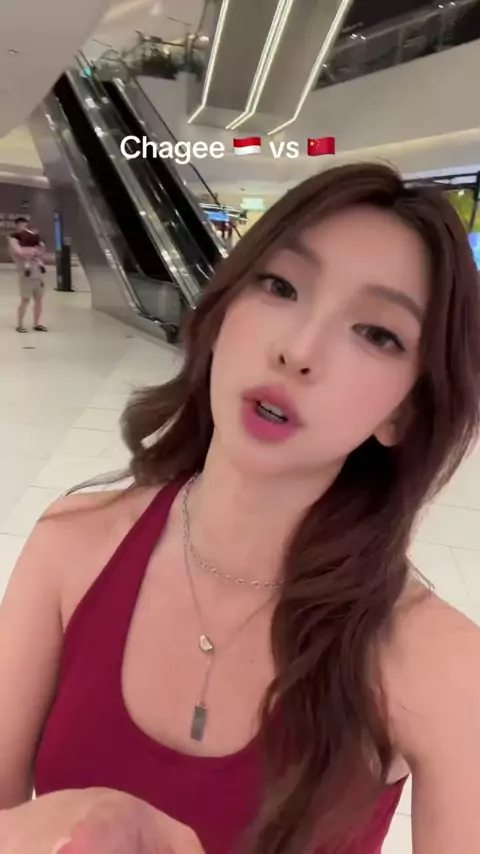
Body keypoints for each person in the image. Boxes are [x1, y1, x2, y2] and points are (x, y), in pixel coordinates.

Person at [1, 162, 480, 854]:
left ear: (404, 412)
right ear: (224, 311)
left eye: (377, 333)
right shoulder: (71, 547)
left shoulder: (439, 664)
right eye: (280, 286)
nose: (298, 351)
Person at [8, 216, 48, 334]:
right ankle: (20, 324)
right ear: (17, 226)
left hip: (38, 273)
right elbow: (19, 252)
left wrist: (38, 248)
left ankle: (37, 323)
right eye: (22, 225)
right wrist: (33, 251)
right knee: (25, 299)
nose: (24, 228)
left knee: (39, 299)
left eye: (26, 225)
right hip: (26, 274)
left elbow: (41, 252)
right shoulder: (14, 239)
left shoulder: (33, 239)